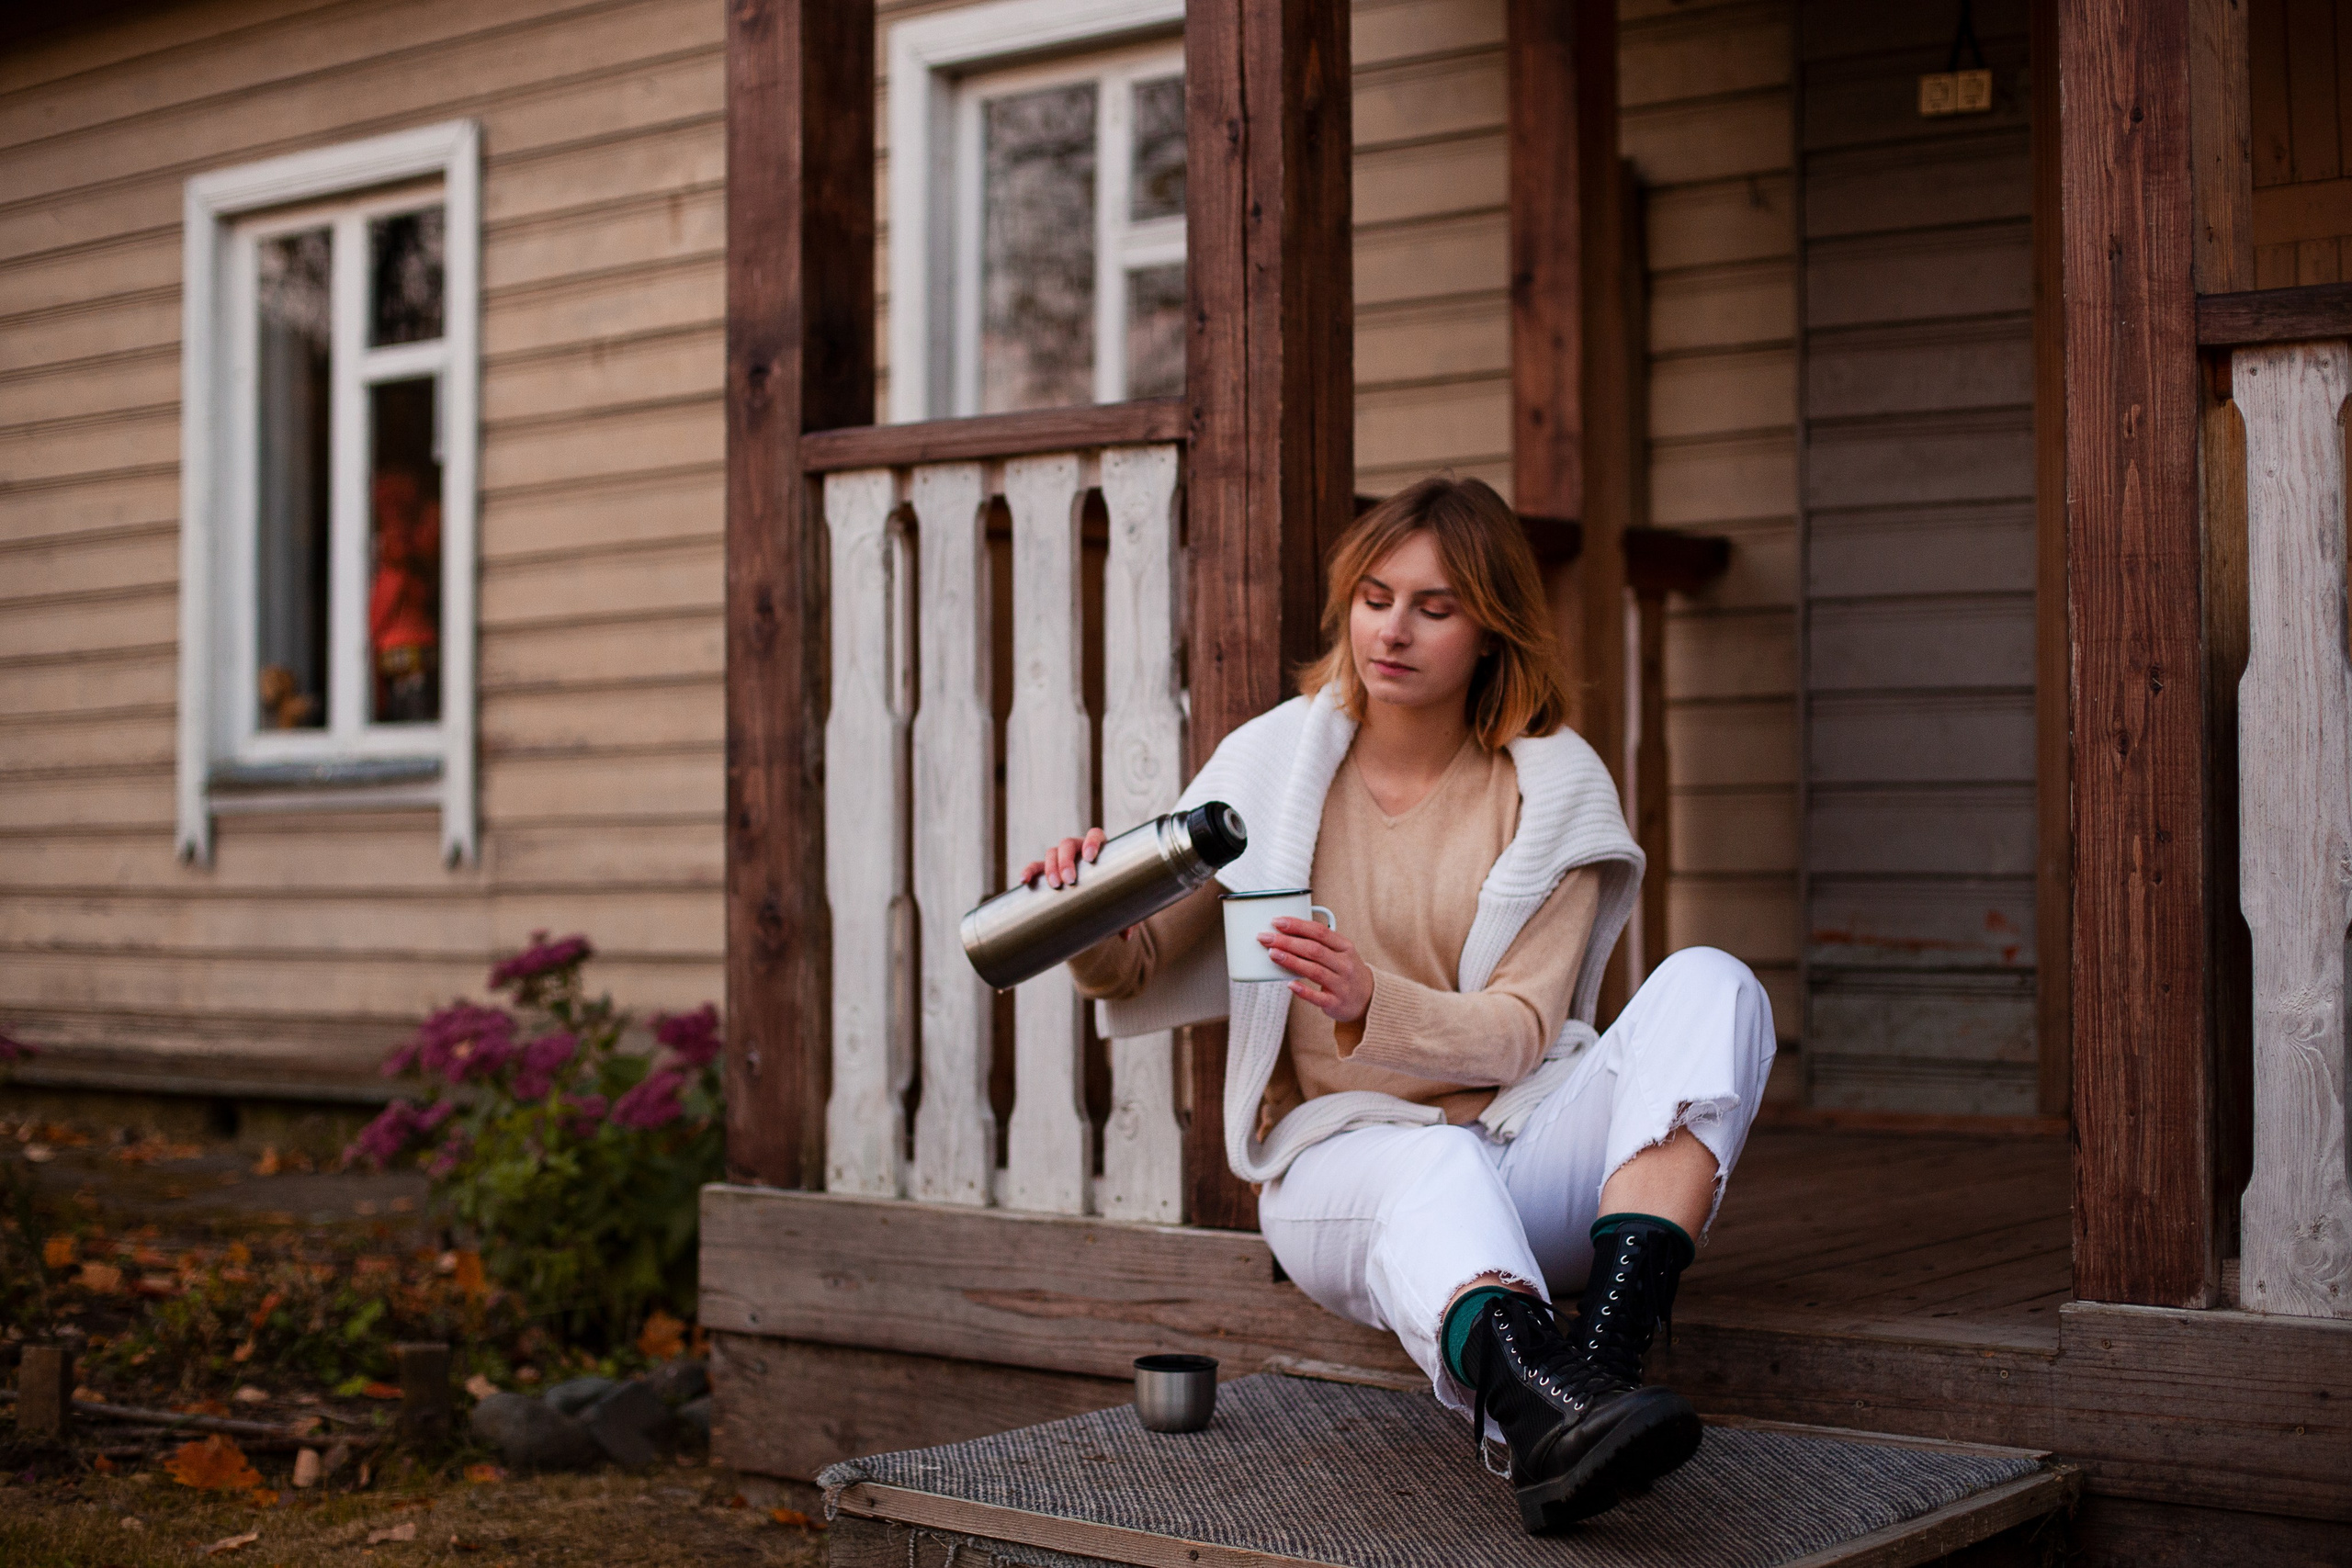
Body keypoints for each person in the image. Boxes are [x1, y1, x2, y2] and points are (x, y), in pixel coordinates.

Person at [1019, 476, 1775, 1533]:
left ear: (1491, 629)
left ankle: (1596, 1375)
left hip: (1518, 1147)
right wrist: (1089, 910)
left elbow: (1520, 1032)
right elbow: (1140, 961)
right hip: (1342, 1163)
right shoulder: (1272, 766)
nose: (1394, 630)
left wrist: (1379, 1000)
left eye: (1435, 605)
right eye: (1376, 597)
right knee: (1433, 1161)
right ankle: (1544, 1410)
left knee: (1713, 983)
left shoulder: (1551, 788)